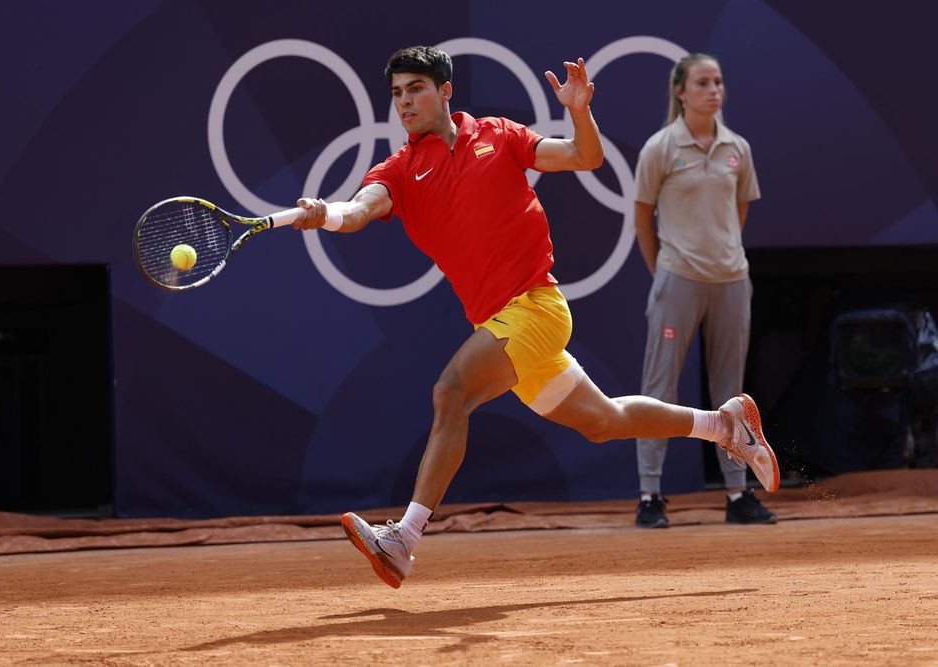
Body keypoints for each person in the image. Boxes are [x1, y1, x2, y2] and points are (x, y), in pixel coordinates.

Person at [294, 46, 778, 589]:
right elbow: (361, 209)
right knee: (604, 422)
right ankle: (723, 424)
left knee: (451, 392)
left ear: (445, 91)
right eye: (397, 94)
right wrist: (328, 214)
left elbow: (583, 157)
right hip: (501, 324)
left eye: (416, 90)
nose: (404, 103)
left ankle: (404, 539)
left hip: (537, 308)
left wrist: (579, 110)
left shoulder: (498, 135)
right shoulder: (400, 169)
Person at [632, 53, 776, 529]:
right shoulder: (660, 147)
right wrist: (666, 272)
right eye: (702, 82)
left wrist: (723, 256)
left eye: (718, 81)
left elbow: (738, 213)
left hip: (731, 280)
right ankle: (650, 495)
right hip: (678, 279)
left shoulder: (739, 147)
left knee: (732, 392)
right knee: (659, 388)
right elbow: (642, 217)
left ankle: (737, 494)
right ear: (680, 92)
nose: (713, 90)